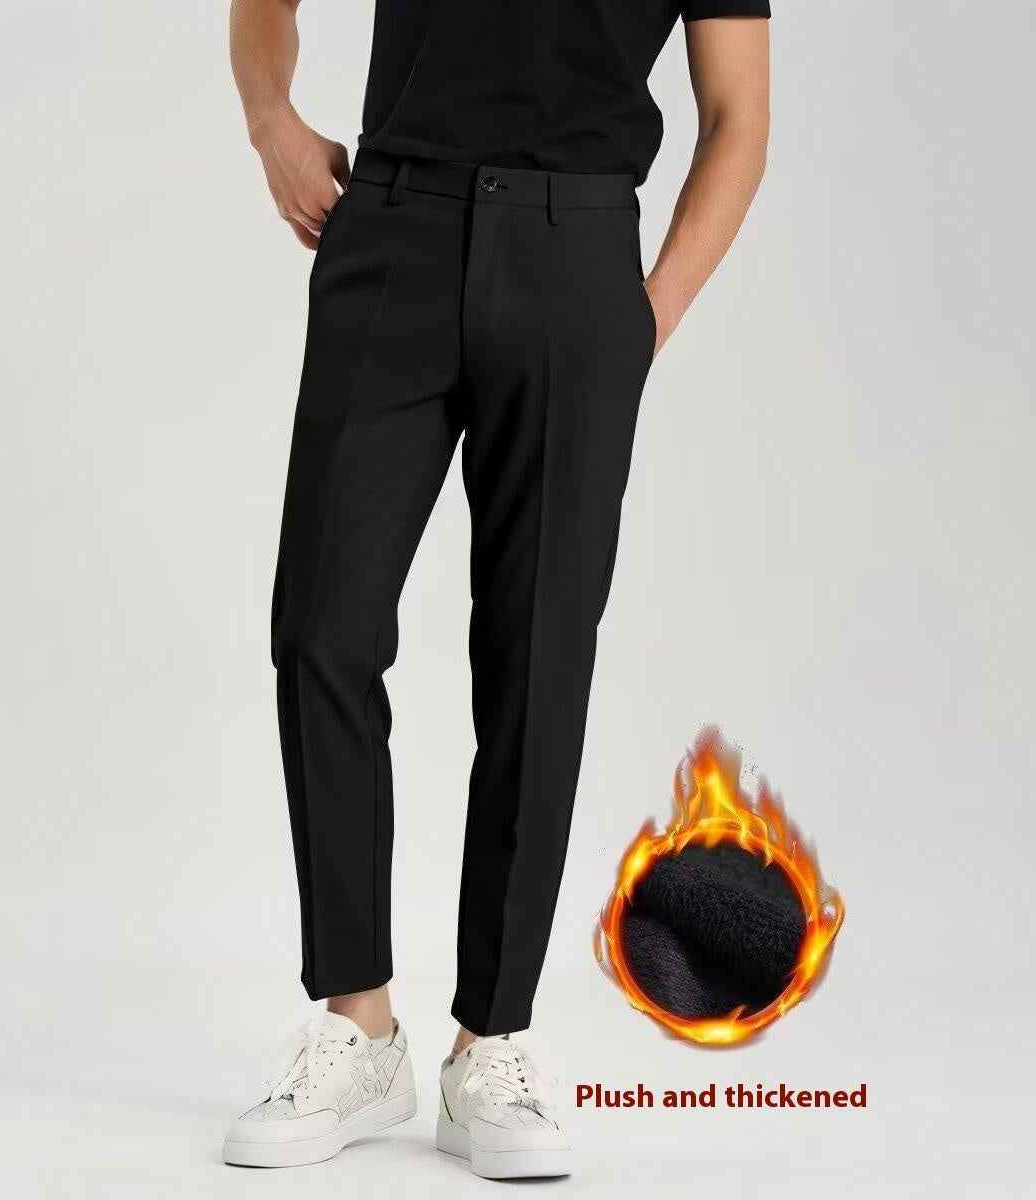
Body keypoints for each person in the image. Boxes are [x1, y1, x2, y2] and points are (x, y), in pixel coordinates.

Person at [224, 0, 770, 1178]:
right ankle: (359, 1026)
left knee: (539, 657)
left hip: (579, 251)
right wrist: (271, 119)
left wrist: (646, 315)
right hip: (395, 231)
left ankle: (492, 1043)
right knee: (321, 626)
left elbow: (739, 116)